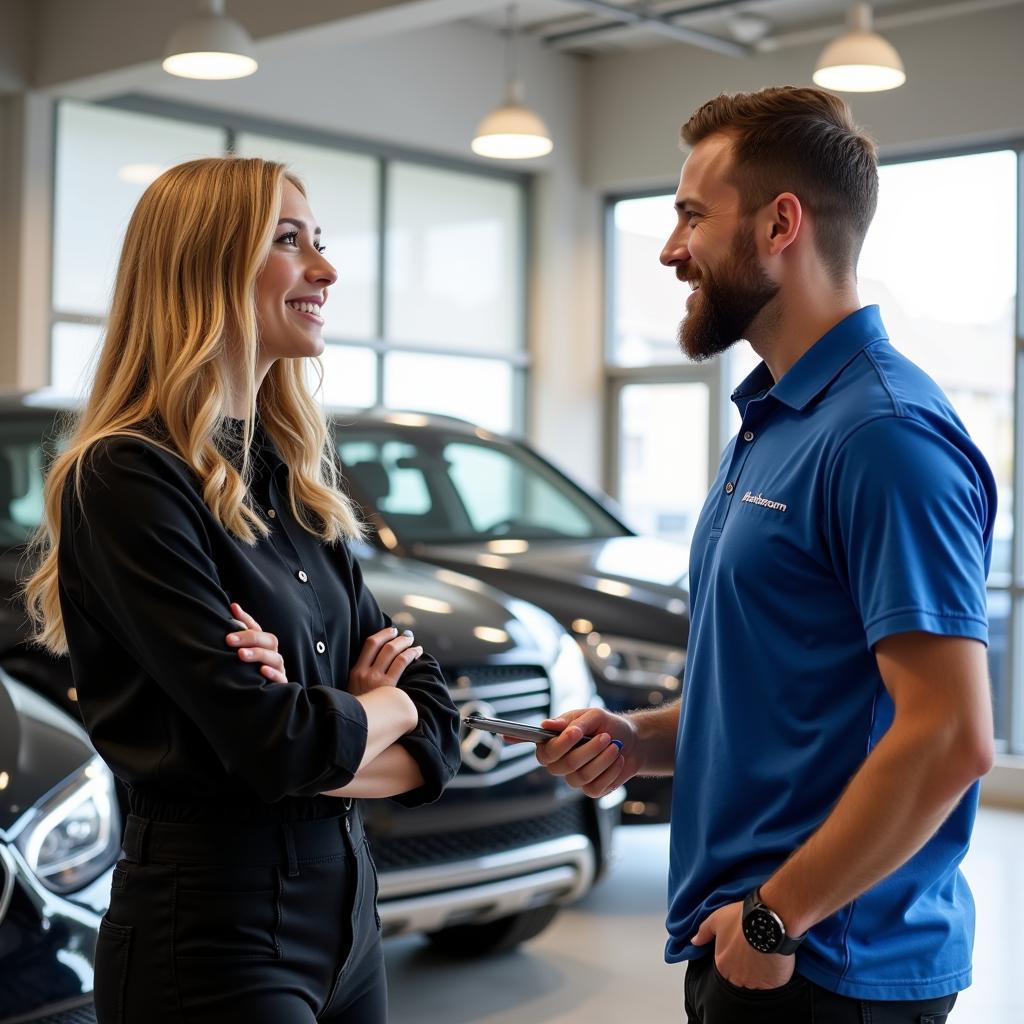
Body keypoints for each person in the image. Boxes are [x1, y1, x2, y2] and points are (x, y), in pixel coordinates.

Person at [534, 86, 995, 1024]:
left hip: (829, 963)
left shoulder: (884, 435)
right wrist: (638, 740)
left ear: (782, 222)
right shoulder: (776, 420)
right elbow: (778, 691)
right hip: (753, 935)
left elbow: (951, 734)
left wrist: (781, 917)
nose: (670, 250)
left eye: (691, 216)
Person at [22, 156, 461, 1023]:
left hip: (349, 917)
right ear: (206, 267)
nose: (326, 270)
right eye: (289, 242)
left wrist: (337, 720)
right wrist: (377, 712)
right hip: (213, 928)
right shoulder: (126, 477)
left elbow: (435, 722)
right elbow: (275, 742)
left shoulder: (296, 481)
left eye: (319, 242)